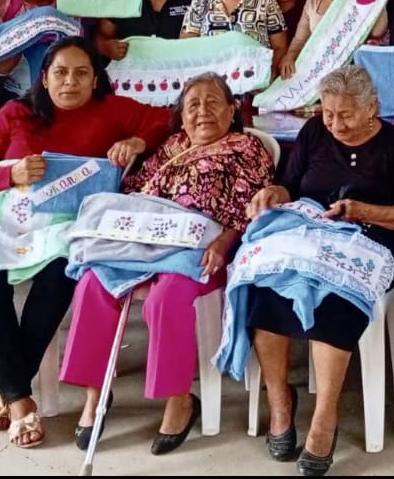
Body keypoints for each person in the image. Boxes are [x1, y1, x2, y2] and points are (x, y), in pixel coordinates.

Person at [0, 37, 171, 448]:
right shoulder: (17, 113)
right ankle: (19, 398)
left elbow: (164, 118)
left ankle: (11, 394)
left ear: (95, 80)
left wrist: (137, 141)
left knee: (58, 281)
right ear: (44, 77)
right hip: (5, 217)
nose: (69, 82)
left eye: (81, 73)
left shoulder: (112, 110)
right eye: (60, 72)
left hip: (65, 226)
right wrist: (10, 175)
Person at [60, 73, 273, 454]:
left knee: (166, 298)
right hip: (146, 239)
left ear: (231, 110)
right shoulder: (171, 145)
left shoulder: (246, 147)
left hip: (202, 243)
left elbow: (253, 208)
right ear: (181, 115)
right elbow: (134, 190)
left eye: (213, 103)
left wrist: (224, 242)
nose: (202, 111)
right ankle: (96, 393)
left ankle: (179, 398)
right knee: (93, 282)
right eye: (193, 105)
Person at [241, 65, 394, 475]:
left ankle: (324, 418)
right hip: (312, 237)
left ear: (372, 107)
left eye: (346, 114)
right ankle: (280, 402)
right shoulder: (314, 133)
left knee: (335, 301)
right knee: (267, 290)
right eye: (328, 113)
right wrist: (274, 192)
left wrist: (361, 211)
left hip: (372, 242)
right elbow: (290, 186)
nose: (335, 124)